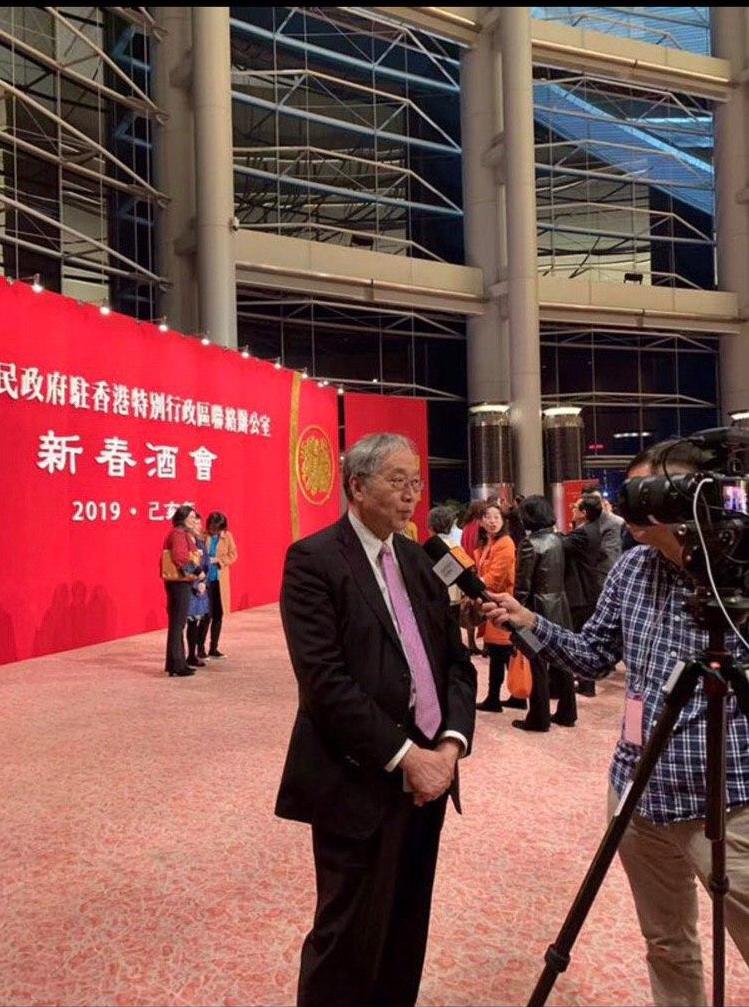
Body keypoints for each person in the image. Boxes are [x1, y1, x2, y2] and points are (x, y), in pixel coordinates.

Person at [483, 437, 749, 1007]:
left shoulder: (741, 577)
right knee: (667, 944)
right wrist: (529, 621)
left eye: (646, 491)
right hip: (637, 790)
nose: (631, 506)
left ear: (689, 498)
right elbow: (593, 657)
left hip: (729, 803)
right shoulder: (632, 569)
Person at [276, 432, 476, 1007]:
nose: (411, 494)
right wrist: (407, 757)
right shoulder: (314, 560)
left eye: (416, 482)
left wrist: (448, 748)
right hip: (358, 777)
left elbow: (456, 664)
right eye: (397, 481)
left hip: (431, 778)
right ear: (357, 486)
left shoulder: (421, 560)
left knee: (406, 926)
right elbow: (324, 682)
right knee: (347, 937)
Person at [511, 495, 577, 732]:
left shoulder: (529, 544)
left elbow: (523, 585)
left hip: (537, 608)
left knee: (537, 663)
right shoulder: (558, 539)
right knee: (563, 660)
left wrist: (515, 613)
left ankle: (539, 718)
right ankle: (568, 712)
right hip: (560, 604)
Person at [474, 500, 518, 712]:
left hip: (503, 603)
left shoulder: (505, 543)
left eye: (496, 517)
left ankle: (495, 698)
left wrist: (475, 585)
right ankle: (514, 696)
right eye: (488, 517)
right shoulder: (489, 543)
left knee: (501, 651)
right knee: (501, 651)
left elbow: (494, 578)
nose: (492, 521)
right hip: (494, 603)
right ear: (481, 521)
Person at [563, 493, 609, 696]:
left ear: (584, 513)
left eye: (576, 507)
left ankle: (586, 684)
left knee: (580, 638)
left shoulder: (583, 533)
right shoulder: (592, 529)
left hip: (582, 591)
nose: (572, 509)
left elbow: (562, 544)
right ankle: (585, 683)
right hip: (588, 588)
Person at [161, 505, 202, 678]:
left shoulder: (182, 533)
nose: (194, 520)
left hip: (179, 583)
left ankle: (176, 663)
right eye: (191, 517)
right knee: (178, 624)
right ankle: (177, 664)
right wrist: (197, 571)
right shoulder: (178, 534)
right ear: (183, 518)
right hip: (179, 583)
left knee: (178, 624)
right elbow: (180, 557)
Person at [197, 511, 238, 659]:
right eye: (212, 527)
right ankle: (200, 649)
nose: (213, 531)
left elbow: (233, 555)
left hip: (219, 580)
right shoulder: (202, 536)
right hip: (205, 581)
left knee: (218, 615)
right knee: (206, 615)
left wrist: (219, 560)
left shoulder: (227, 536)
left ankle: (214, 648)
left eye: (217, 528)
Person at [427, 505, 463, 619]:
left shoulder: (430, 549)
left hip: (436, 602)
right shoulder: (457, 547)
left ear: (430, 526)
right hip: (456, 600)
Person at [460, 501, 486, 655]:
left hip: (467, 568)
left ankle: (471, 643)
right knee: (483, 606)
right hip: (478, 568)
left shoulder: (466, 527)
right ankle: (488, 644)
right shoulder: (479, 526)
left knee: (469, 608)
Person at [186, 513, 210, 669]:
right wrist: (195, 583)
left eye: (199, 524)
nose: (199, 527)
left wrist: (203, 582)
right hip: (188, 587)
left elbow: (206, 564)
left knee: (195, 623)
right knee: (188, 623)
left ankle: (193, 654)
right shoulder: (185, 543)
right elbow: (185, 565)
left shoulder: (201, 542)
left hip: (200, 588)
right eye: (196, 523)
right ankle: (186, 656)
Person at [583, 484, 623, 569]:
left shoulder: (617, 523)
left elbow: (610, 559)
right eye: (587, 501)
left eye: (595, 500)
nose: (592, 504)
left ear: (604, 502)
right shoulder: (583, 526)